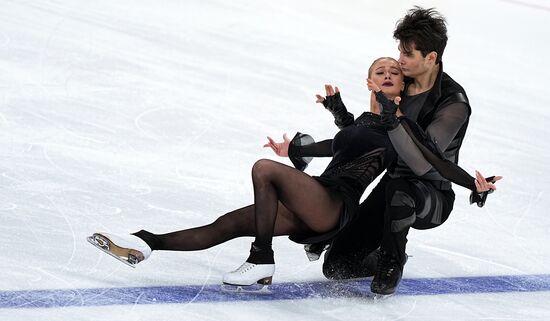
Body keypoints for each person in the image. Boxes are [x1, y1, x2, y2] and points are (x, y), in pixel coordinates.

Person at [88, 57, 406, 288]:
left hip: (337, 204)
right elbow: (344, 143)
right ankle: (146, 242)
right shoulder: (364, 121)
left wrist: (386, 110)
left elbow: (392, 151)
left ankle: (261, 258)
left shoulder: (401, 127)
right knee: (228, 224)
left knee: (265, 170)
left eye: (395, 71)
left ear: (403, 85)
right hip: (317, 197)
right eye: (381, 71)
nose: (388, 73)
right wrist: (300, 146)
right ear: (370, 81)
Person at [315, 7, 502, 296]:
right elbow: (367, 133)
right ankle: (378, 254)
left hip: (432, 196)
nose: (399, 62)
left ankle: (393, 260)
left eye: (408, 55)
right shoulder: (401, 81)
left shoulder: (453, 102)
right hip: (391, 188)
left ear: (431, 58)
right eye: (399, 52)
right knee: (337, 266)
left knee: (401, 188)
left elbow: (424, 163)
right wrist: (340, 114)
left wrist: (468, 182)